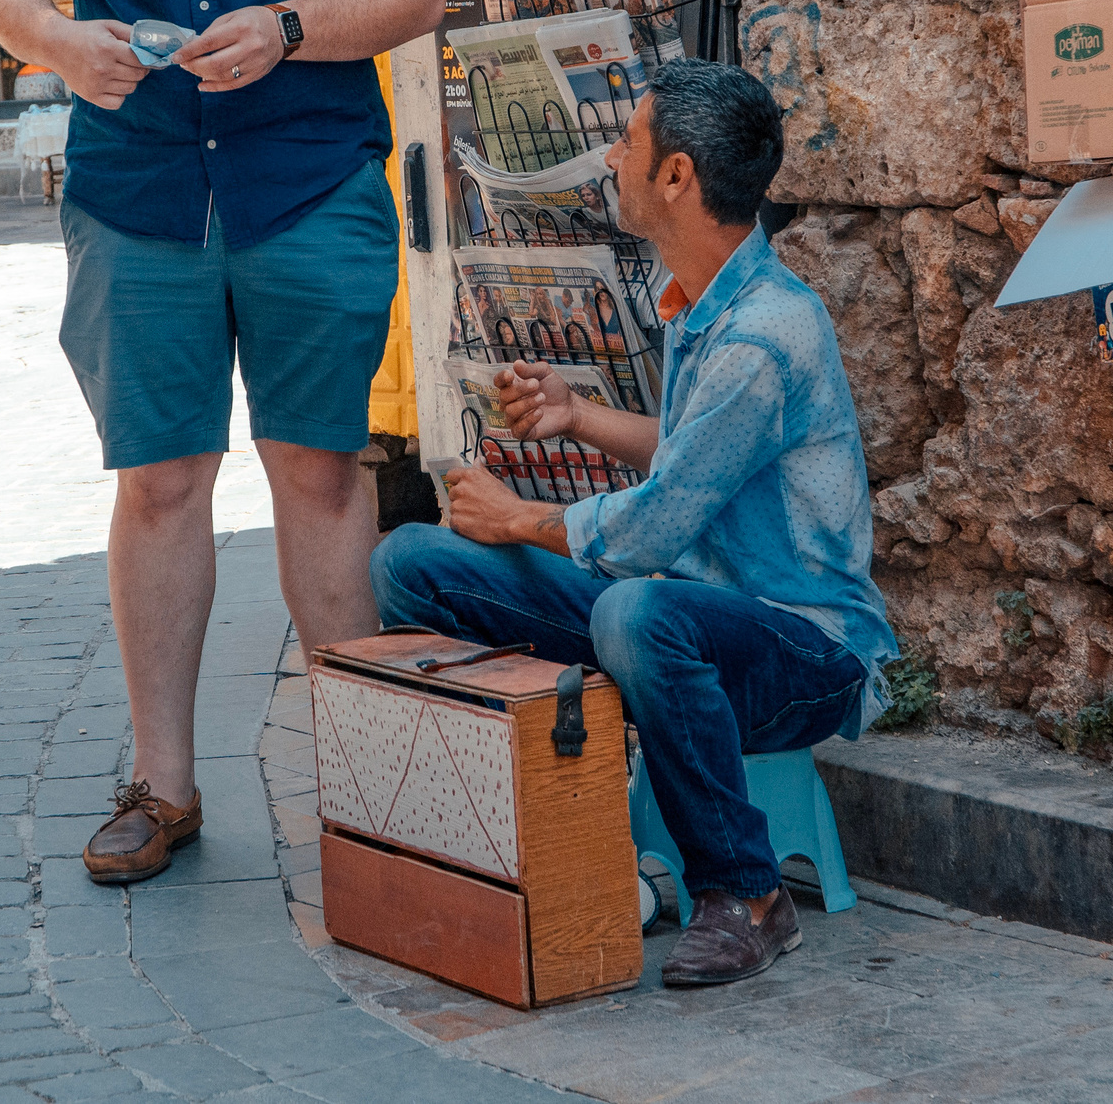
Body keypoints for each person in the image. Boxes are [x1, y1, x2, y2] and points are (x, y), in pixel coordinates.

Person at [0, 0, 441, 885]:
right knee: (164, 478)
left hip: (308, 179)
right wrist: (64, 40)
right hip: (138, 187)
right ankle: (163, 784)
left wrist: (293, 26)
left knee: (321, 471)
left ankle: (372, 790)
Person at [371, 60, 898, 988]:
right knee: (414, 562)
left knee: (636, 614)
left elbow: (653, 533)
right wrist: (576, 414)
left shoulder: (765, 335)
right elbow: (696, 457)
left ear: (678, 177)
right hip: (694, 612)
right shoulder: (701, 302)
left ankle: (747, 891)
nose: (610, 156)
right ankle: (542, 840)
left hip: (808, 653)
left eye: (630, 140)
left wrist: (520, 517)